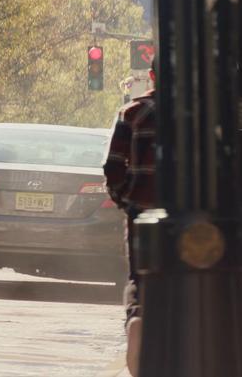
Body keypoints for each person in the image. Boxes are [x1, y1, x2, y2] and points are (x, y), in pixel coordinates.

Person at [103, 58, 158, 377]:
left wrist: (127, 201)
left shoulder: (132, 113)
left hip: (142, 213)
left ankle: (137, 317)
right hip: (189, 218)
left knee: (139, 277)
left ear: (152, 76)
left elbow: (113, 167)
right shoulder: (199, 116)